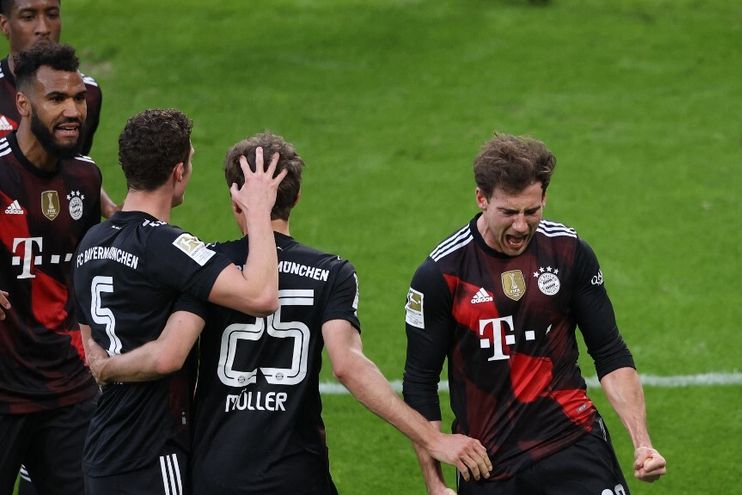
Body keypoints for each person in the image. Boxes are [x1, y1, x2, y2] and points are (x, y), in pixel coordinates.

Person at [85, 132, 493, 494]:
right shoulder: (333, 273)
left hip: (217, 473)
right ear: (296, 198)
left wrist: (106, 366)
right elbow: (348, 366)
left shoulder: (208, 268)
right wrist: (432, 438)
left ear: (236, 199)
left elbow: (167, 352)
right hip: (298, 473)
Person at [402, 134, 667, 495]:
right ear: (481, 199)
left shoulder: (567, 251)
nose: (521, 226)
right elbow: (420, 381)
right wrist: (434, 483)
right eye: (509, 212)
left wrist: (642, 443)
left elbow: (609, 351)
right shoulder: (442, 273)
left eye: (532, 211)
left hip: (572, 441)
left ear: (544, 198)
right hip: (488, 464)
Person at [71, 110, 286, 493]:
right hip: (152, 451)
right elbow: (262, 295)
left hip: (103, 449)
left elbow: (88, 341)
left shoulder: (91, 242)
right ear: (179, 171)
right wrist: (258, 211)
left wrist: (105, 366)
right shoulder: (166, 245)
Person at [0, 42, 101, 495]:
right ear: (23, 104)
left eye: (78, 98)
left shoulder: (85, 177)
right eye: (56, 98)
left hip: (67, 388)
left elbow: (87, 270)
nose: (73, 111)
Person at [0, 0, 117, 218]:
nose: (43, 28)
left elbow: (72, 162)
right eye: (28, 17)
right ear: (5, 24)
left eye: (52, 15)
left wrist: (108, 207)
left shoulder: (89, 92)